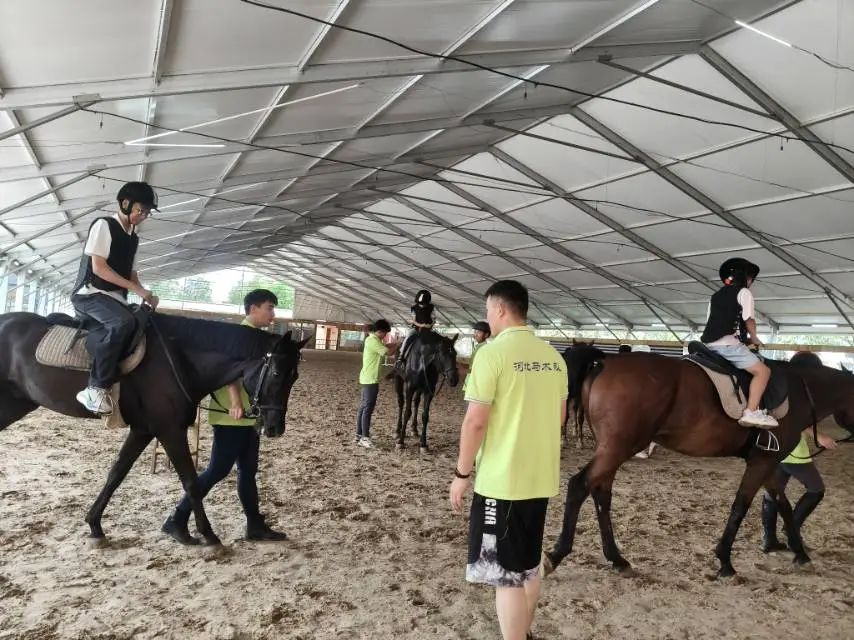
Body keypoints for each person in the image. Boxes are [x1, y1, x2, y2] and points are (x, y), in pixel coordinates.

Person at [450, 280, 567, 640]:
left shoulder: (492, 354)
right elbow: (560, 417)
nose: (487, 317)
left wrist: (462, 473)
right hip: (540, 478)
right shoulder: (553, 357)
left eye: (488, 310)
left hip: (502, 482)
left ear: (500, 309)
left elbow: (476, 421)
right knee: (529, 566)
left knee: (505, 576)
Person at [162, 289, 287, 543]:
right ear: (253, 308)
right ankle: (177, 518)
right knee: (217, 470)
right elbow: (227, 369)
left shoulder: (258, 338)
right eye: (269, 308)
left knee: (248, 471)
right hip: (232, 415)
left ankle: (254, 525)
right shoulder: (238, 335)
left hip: (249, 416)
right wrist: (235, 401)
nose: (272, 314)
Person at [71, 181, 160, 414]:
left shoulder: (133, 238)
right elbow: (99, 268)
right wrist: (136, 289)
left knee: (145, 321)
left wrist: (146, 294)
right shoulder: (104, 225)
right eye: (141, 210)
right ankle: (95, 388)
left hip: (115, 298)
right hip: (90, 294)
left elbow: (132, 274)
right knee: (122, 323)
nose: (144, 216)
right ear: (125, 204)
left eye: (147, 212)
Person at [700, 257, 777, 428]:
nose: (751, 282)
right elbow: (749, 319)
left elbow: (713, 322)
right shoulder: (744, 292)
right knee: (763, 371)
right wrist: (755, 337)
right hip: (728, 346)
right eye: (750, 278)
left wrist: (743, 338)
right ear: (745, 277)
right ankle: (751, 412)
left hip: (709, 345)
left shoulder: (715, 296)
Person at [761, 428, 837, 552]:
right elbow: (796, 418)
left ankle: (769, 540)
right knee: (816, 489)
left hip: (771, 448)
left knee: (772, 493)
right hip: (793, 450)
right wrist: (819, 436)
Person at [356, 319, 399, 448]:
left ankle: (359, 435)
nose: (385, 336)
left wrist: (395, 343)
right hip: (370, 379)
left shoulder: (374, 339)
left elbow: (386, 346)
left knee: (363, 408)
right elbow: (388, 352)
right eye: (385, 333)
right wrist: (398, 345)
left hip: (367, 378)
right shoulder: (373, 341)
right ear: (380, 331)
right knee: (367, 409)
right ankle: (364, 438)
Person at [397, 289, 435, 368]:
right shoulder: (414, 308)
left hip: (428, 329)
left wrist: (430, 324)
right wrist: (422, 325)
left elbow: (433, 319)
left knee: (438, 339)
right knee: (408, 337)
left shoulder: (431, 307)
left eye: (424, 304)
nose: (422, 305)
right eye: (420, 303)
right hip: (416, 328)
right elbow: (414, 321)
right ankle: (401, 356)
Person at [462, 321, 491, 393]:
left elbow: (481, 369)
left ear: (486, 335)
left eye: (478, 332)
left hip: (476, 387)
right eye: (475, 332)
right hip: (470, 384)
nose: (475, 335)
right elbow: (472, 366)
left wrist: (464, 371)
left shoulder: (484, 349)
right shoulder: (477, 347)